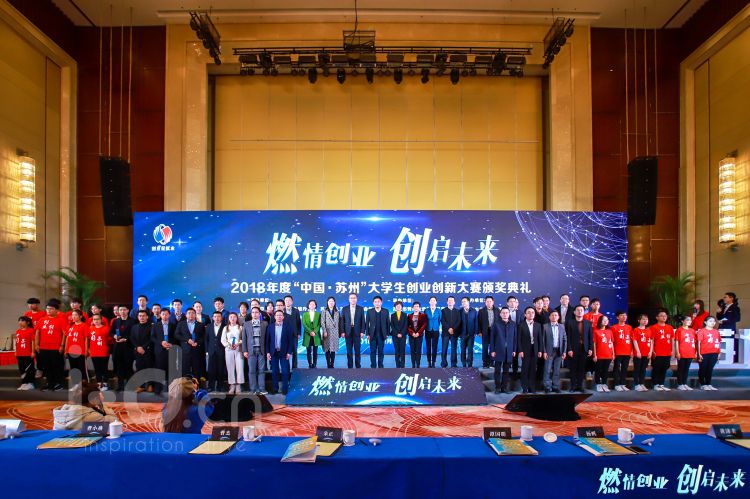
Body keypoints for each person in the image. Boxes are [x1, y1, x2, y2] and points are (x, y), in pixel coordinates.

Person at [35, 299, 68, 391]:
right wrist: (36, 344)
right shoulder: (42, 319)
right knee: (46, 366)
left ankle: (59, 383)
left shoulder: (61, 320)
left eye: (51, 309)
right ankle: (50, 383)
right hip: (43, 347)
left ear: (56, 310)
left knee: (57, 366)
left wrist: (62, 345)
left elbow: (64, 334)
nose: (48, 310)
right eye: (47, 308)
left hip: (56, 348)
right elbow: (37, 332)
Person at [565, 305, 593, 393]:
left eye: (581, 310)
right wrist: (569, 349)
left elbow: (590, 337)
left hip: (584, 349)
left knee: (582, 369)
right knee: (573, 368)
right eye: (578, 310)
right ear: (574, 312)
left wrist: (590, 348)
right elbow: (567, 337)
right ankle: (573, 386)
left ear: (584, 312)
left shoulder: (588, 323)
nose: (580, 311)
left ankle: (580, 386)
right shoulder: (569, 322)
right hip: (573, 349)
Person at [266, 309, 294, 394]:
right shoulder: (270, 327)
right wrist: (268, 352)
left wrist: (289, 352)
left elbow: (291, 341)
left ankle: (284, 389)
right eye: (277, 315)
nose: (279, 317)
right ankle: (275, 389)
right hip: (273, 352)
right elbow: (267, 341)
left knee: (285, 371)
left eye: (280, 315)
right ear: (274, 317)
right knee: (275, 371)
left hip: (284, 353)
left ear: (283, 317)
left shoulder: (287, 327)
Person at [150, 308, 177, 395]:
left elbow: (176, 337)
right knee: (159, 370)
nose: (165, 316)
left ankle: (171, 389)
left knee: (171, 370)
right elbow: (152, 337)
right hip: (159, 351)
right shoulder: (155, 325)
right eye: (163, 314)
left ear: (169, 315)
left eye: (166, 314)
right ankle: (158, 389)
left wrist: (171, 344)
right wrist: (161, 342)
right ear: (160, 315)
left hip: (170, 350)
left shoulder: (173, 325)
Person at [175, 307, 206, 380]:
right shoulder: (181, 324)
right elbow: (177, 335)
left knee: (197, 369)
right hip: (185, 350)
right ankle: (185, 385)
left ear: (195, 315)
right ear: (186, 315)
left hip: (197, 350)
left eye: (193, 313)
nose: (191, 315)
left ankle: (197, 385)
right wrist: (187, 340)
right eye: (189, 313)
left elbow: (203, 337)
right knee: (185, 369)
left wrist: (197, 342)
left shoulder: (200, 325)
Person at [490, 307, 516, 393]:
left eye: (506, 313)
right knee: (497, 370)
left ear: (509, 314)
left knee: (506, 371)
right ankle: (497, 387)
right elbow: (492, 338)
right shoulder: (496, 324)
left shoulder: (513, 324)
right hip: (498, 350)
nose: (505, 314)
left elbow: (515, 338)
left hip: (509, 351)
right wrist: (492, 350)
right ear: (500, 314)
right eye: (503, 313)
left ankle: (504, 388)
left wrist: (514, 350)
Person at [242, 306, 267, 394]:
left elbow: (267, 338)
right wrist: (245, 350)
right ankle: (253, 389)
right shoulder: (246, 324)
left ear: (259, 314)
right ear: (251, 314)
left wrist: (267, 351)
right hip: (251, 351)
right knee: (252, 371)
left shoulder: (265, 324)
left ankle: (262, 389)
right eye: (253, 312)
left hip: (261, 351)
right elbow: (244, 338)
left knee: (261, 371)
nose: (255, 314)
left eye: (256, 312)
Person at [110, 305, 135, 391]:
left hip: (128, 346)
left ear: (128, 310)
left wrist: (126, 339)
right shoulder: (116, 321)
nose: (122, 312)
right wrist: (114, 336)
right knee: (119, 367)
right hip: (118, 347)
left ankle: (129, 386)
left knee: (128, 367)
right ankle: (120, 386)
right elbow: (111, 332)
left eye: (124, 310)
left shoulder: (133, 321)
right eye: (120, 310)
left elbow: (134, 334)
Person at [517, 307, 542, 393]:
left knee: (533, 369)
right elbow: (518, 339)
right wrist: (520, 350)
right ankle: (524, 388)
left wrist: (540, 350)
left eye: (532, 312)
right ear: (525, 314)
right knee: (525, 369)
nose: (531, 314)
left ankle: (532, 387)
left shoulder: (538, 325)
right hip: (525, 350)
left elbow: (540, 339)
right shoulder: (521, 325)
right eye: (528, 312)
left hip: (535, 349)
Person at [541, 310, 567, 393]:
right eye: (552, 315)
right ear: (549, 317)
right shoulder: (545, 326)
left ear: (558, 317)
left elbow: (565, 339)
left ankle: (555, 386)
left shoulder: (562, 326)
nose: (554, 316)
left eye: (556, 315)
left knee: (557, 370)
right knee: (547, 369)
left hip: (559, 350)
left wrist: (564, 351)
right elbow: (543, 340)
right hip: (549, 351)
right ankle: (547, 386)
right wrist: (544, 351)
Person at [650, 309, 675, 391]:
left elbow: (672, 339)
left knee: (664, 368)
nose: (664, 317)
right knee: (656, 368)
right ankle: (655, 384)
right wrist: (652, 350)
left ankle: (661, 384)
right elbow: (651, 340)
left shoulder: (670, 327)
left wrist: (672, 350)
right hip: (657, 352)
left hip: (667, 352)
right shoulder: (653, 327)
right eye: (661, 316)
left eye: (665, 316)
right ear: (657, 317)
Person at [64, 310, 89, 391]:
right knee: (73, 368)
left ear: (80, 316)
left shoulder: (84, 325)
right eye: (72, 315)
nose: (73, 317)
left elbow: (86, 339)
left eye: (75, 315)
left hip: (80, 351)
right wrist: (66, 349)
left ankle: (85, 386)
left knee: (82, 369)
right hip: (70, 350)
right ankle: (76, 385)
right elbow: (67, 338)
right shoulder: (70, 326)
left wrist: (86, 350)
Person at [131, 310, 155, 393]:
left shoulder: (151, 326)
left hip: (148, 351)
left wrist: (144, 347)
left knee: (150, 368)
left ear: (147, 317)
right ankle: (141, 386)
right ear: (138, 317)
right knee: (139, 368)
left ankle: (150, 385)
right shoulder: (134, 327)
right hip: (138, 351)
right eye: (140, 316)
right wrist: (137, 347)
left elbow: (151, 338)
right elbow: (132, 338)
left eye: (143, 316)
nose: (142, 317)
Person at [221, 313, 244, 394]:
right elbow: (223, 340)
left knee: (239, 367)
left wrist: (238, 343)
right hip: (229, 349)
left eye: (234, 317)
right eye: (231, 317)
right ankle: (232, 384)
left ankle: (238, 385)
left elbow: (243, 338)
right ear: (228, 319)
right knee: (230, 367)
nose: (233, 318)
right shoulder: (226, 328)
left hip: (238, 349)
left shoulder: (240, 327)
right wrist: (229, 345)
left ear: (237, 318)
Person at [89, 314, 112, 390]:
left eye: (97, 319)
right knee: (97, 369)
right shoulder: (90, 328)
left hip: (104, 352)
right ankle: (98, 383)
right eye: (94, 319)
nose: (96, 321)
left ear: (101, 320)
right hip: (94, 352)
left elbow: (109, 340)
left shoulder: (106, 328)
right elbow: (88, 340)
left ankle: (105, 384)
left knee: (104, 368)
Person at [697, 316, 721, 390]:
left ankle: (708, 383)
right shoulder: (702, 331)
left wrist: (719, 352)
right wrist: (699, 353)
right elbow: (698, 343)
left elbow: (718, 342)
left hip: (714, 352)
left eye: (714, 321)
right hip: (704, 353)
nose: (713, 323)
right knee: (703, 368)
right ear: (705, 322)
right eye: (710, 321)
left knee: (710, 369)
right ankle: (702, 384)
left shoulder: (716, 331)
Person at [341, 293, 364, 369]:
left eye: (354, 298)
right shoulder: (345, 309)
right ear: (349, 299)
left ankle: (358, 366)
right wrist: (342, 331)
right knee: (349, 351)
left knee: (357, 350)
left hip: (357, 332)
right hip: (348, 332)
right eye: (351, 298)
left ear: (356, 299)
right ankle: (350, 366)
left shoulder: (361, 309)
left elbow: (363, 321)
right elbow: (342, 321)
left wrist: (362, 331)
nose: (353, 299)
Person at [205, 311, 227, 392]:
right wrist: (207, 350)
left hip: (222, 350)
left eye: (218, 316)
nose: (217, 318)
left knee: (221, 369)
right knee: (211, 369)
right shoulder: (209, 326)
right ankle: (211, 386)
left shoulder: (225, 326)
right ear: (213, 318)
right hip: (211, 351)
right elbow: (206, 339)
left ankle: (220, 386)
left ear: (221, 318)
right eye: (215, 316)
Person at [611, 311, 633, 391]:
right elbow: (611, 341)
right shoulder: (613, 327)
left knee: (625, 368)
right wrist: (612, 352)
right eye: (622, 315)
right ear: (617, 317)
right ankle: (616, 384)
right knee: (616, 368)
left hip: (627, 351)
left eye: (625, 315)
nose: (624, 317)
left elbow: (631, 340)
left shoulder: (629, 327)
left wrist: (631, 351)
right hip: (617, 351)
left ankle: (622, 384)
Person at [366, 296, 389, 369]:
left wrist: (387, 333)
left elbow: (388, 323)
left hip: (382, 335)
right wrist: (367, 334)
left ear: (381, 302)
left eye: (378, 301)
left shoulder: (385, 311)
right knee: (372, 351)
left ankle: (380, 366)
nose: (377, 303)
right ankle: (373, 366)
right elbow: (367, 323)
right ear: (373, 303)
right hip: (372, 335)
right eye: (375, 302)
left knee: (381, 351)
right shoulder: (369, 311)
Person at [592, 315, 614, 392]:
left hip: (608, 354)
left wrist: (613, 354)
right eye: (604, 320)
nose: (605, 321)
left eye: (607, 320)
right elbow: (594, 344)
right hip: (599, 354)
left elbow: (611, 343)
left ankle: (604, 384)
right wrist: (595, 355)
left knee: (605, 370)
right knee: (598, 370)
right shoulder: (596, 331)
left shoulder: (609, 331)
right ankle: (598, 384)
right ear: (600, 321)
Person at [717, 292, 741, 362]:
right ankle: (722, 358)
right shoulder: (724, 307)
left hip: (729, 329)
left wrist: (725, 321)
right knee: (721, 343)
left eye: (726, 297)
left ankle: (730, 359)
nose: (724, 298)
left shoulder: (735, 307)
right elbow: (719, 318)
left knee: (729, 344)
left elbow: (737, 318)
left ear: (731, 298)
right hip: (721, 328)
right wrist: (718, 312)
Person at [675, 315, 697, 390]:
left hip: (690, 352)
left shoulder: (692, 330)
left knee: (686, 369)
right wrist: (677, 352)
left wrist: (695, 352)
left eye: (690, 320)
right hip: (682, 352)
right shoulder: (679, 330)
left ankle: (684, 383)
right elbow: (677, 341)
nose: (689, 321)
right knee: (681, 368)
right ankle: (680, 384)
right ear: (682, 321)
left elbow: (694, 342)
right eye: (687, 320)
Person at [478, 296, 500, 368]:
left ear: (493, 302)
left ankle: (491, 362)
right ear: (485, 302)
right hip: (485, 331)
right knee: (485, 348)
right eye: (487, 301)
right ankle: (485, 362)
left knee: (493, 348)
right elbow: (479, 322)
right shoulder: (481, 311)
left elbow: (499, 321)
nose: (489, 303)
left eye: (490, 301)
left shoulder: (497, 310)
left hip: (494, 332)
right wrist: (479, 332)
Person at [632, 314, 652, 391]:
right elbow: (634, 341)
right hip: (638, 353)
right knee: (637, 369)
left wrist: (650, 351)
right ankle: (636, 385)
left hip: (647, 353)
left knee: (643, 369)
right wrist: (638, 351)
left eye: (646, 319)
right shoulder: (636, 330)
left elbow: (651, 341)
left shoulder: (649, 330)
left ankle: (641, 383)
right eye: (643, 319)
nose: (645, 321)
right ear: (639, 321)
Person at [15, 316, 36, 390]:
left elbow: (33, 341)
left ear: (28, 322)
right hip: (19, 353)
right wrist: (16, 351)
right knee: (22, 369)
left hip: (27, 353)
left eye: (22, 321)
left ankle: (31, 383)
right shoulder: (18, 331)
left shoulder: (31, 330)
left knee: (29, 369)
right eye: (19, 321)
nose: (20, 322)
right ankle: (24, 383)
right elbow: (16, 342)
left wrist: (33, 351)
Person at [440, 296, 461, 368]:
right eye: (449, 300)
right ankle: (444, 363)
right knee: (444, 349)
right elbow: (443, 321)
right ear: (447, 302)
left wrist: (453, 329)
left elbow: (459, 321)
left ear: (454, 302)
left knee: (453, 349)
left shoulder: (457, 311)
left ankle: (453, 364)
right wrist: (449, 328)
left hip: (454, 333)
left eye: (452, 300)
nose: (450, 302)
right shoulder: (443, 310)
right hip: (445, 333)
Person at [321, 297, 341, 368]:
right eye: (330, 301)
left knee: (333, 349)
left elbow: (339, 323)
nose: (331, 303)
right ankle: (328, 364)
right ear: (327, 302)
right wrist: (324, 331)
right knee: (327, 349)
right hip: (327, 332)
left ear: (334, 303)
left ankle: (332, 364)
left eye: (332, 301)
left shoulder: (337, 312)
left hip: (335, 332)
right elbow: (322, 322)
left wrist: (339, 332)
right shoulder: (324, 311)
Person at [302, 299, 322, 368]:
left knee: (315, 351)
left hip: (316, 335)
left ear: (315, 306)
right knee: (308, 351)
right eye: (311, 304)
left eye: (313, 304)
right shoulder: (305, 314)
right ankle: (310, 363)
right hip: (308, 334)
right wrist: (310, 331)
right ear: (308, 305)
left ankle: (315, 364)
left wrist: (314, 332)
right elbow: (304, 324)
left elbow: (319, 324)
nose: (312, 305)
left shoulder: (318, 314)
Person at [459, 297, 478, 367]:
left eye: (464, 301)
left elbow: (476, 322)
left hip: (471, 334)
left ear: (468, 302)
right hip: (462, 334)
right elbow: (458, 323)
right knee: (463, 350)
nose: (463, 303)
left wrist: (476, 331)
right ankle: (463, 363)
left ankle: (470, 364)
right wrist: (458, 333)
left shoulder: (474, 311)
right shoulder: (460, 311)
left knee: (470, 350)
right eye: (462, 302)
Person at [283, 295, 302, 369]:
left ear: (292, 302)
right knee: (285, 351)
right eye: (286, 300)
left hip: (294, 334)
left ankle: (295, 366)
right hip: (284, 334)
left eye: (289, 300)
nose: (288, 302)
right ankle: (286, 366)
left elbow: (298, 323)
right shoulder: (282, 311)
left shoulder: (296, 311)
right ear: (284, 302)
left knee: (294, 351)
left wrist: (299, 333)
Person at [407, 301, 427, 368]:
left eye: (417, 306)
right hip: (411, 336)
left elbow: (424, 325)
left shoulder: (423, 315)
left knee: (418, 350)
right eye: (415, 306)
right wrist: (412, 333)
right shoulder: (409, 316)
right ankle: (413, 364)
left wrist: (418, 333)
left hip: (419, 335)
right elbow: (407, 326)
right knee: (412, 350)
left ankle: (418, 364)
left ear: (419, 307)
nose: (416, 307)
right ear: (412, 307)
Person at [424, 296, 441, 368]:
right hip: (428, 330)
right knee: (428, 346)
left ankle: (433, 362)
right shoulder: (426, 310)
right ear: (429, 302)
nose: (432, 302)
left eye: (434, 300)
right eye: (431, 300)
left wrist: (437, 326)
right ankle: (429, 362)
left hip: (436, 330)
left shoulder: (439, 310)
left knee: (434, 347)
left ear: (436, 302)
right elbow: (424, 320)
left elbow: (440, 320)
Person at [390, 301, 408, 368]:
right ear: (395, 307)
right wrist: (397, 333)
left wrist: (402, 333)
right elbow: (392, 325)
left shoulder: (405, 315)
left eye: (399, 306)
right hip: (395, 336)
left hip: (403, 336)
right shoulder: (392, 315)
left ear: (402, 307)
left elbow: (405, 325)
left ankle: (402, 365)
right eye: (397, 306)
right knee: (397, 350)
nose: (398, 307)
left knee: (402, 350)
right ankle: (397, 365)